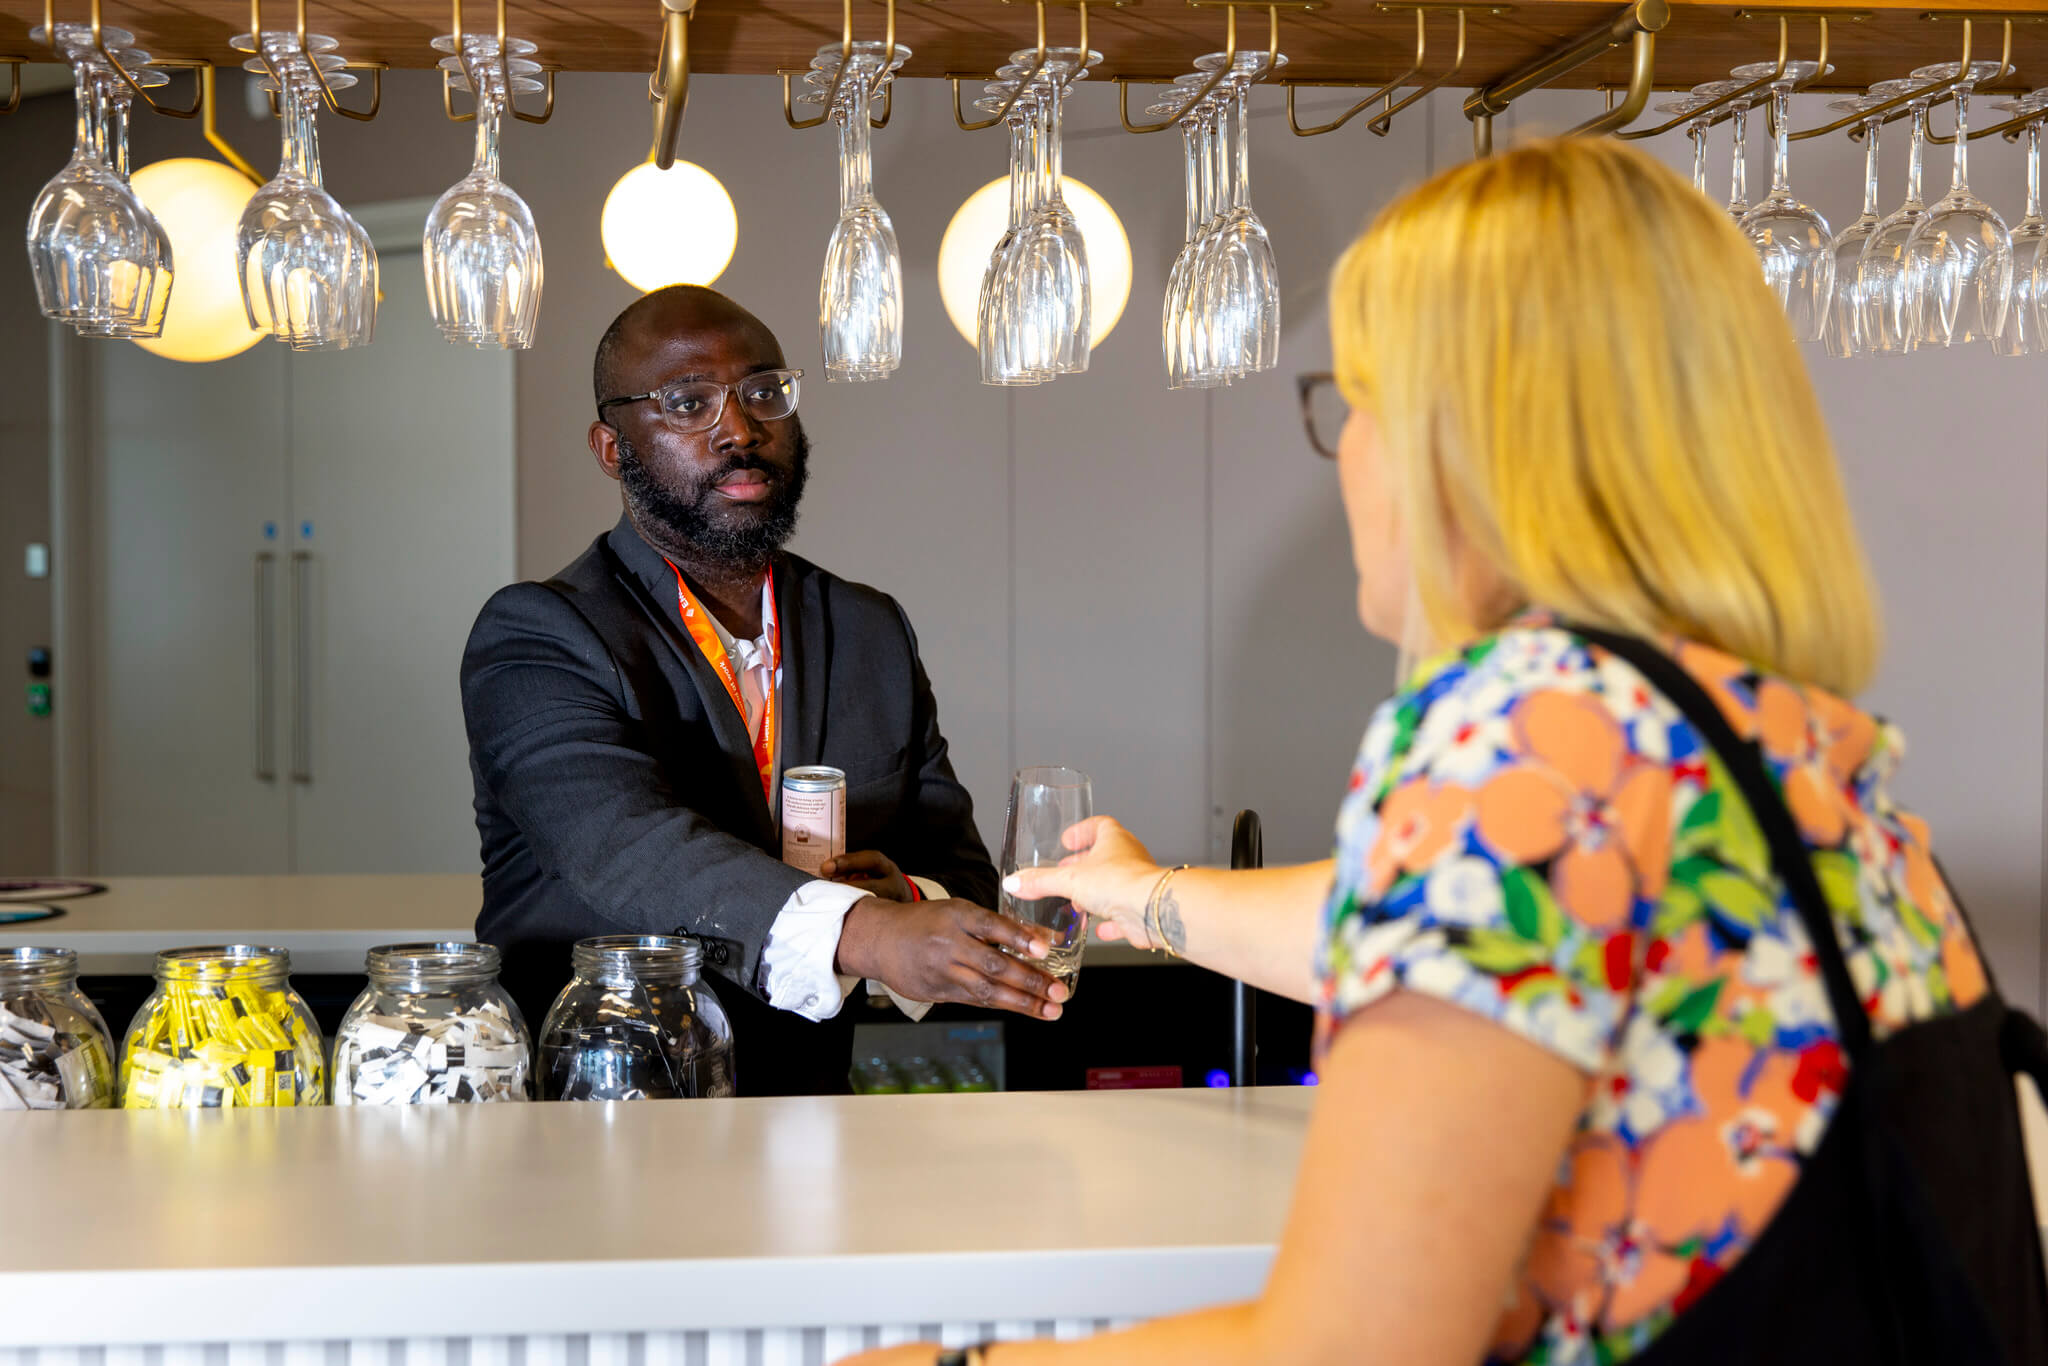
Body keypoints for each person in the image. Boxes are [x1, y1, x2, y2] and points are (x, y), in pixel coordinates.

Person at [841, 138, 2048, 1365]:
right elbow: (1460, 933)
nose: (1347, 451)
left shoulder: (1521, 729)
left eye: (1358, 400)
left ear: (1466, 440)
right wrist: (1145, 898)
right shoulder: (1774, 742)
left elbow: (1353, 1346)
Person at [461, 286, 1065, 1097]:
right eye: (688, 403)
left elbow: (953, 864)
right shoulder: (540, 633)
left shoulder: (867, 626)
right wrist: (868, 931)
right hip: (591, 1117)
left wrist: (909, 897)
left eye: (763, 393)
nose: (739, 429)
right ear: (612, 448)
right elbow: (621, 843)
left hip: (806, 1120)